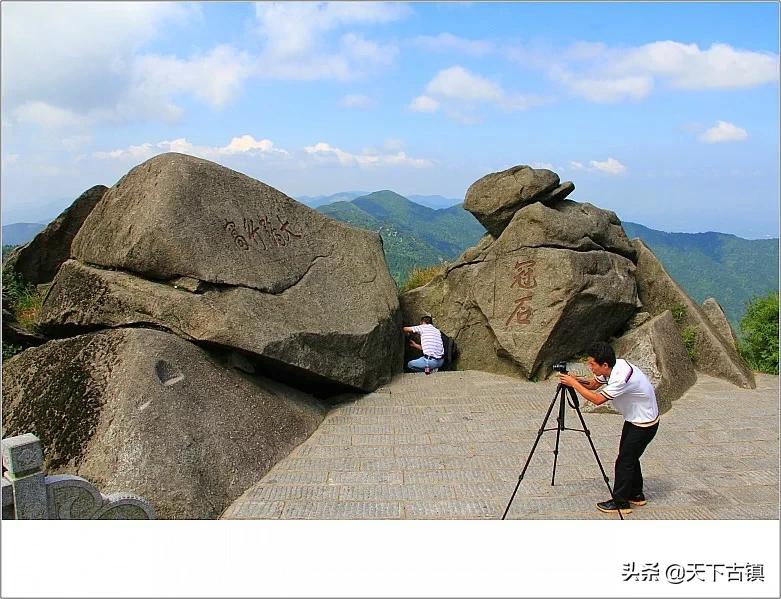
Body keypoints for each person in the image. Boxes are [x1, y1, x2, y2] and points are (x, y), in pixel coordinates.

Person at [558, 341, 660, 515]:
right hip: (636, 419)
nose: (590, 367)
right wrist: (576, 379)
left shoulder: (621, 377)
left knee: (624, 461)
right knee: (629, 457)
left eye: (592, 364)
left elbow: (597, 399)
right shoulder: (614, 366)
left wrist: (573, 384)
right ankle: (636, 494)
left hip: (644, 424)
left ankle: (620, 502)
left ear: (604, 364)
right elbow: (593, 384)